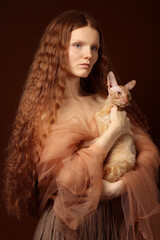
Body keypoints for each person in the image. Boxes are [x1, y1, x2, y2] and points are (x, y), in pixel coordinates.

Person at [3, 10, 160, 240]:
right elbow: (67, 180)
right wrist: (112, 133)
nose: (88, 54)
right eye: (78, 45)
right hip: (69, 228)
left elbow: (150, 152)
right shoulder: (45, 115)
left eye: (94, 47)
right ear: (57, 49)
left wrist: (121, 187)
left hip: (112, 226)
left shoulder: (103, 100)